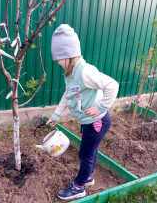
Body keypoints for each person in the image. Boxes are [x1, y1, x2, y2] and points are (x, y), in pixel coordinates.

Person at [46, 24, 119, 201]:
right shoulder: (70, 74)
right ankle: (88, 177)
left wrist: (102, 107)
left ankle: (79, 186)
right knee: (90, 151)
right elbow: (68, 93)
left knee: (85, 154)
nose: (57, 62)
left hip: (96, 122)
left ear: (69, 55)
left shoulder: (85, 71)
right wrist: (56, 115)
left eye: (59, 58)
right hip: (88, 122)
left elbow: (112, 85)